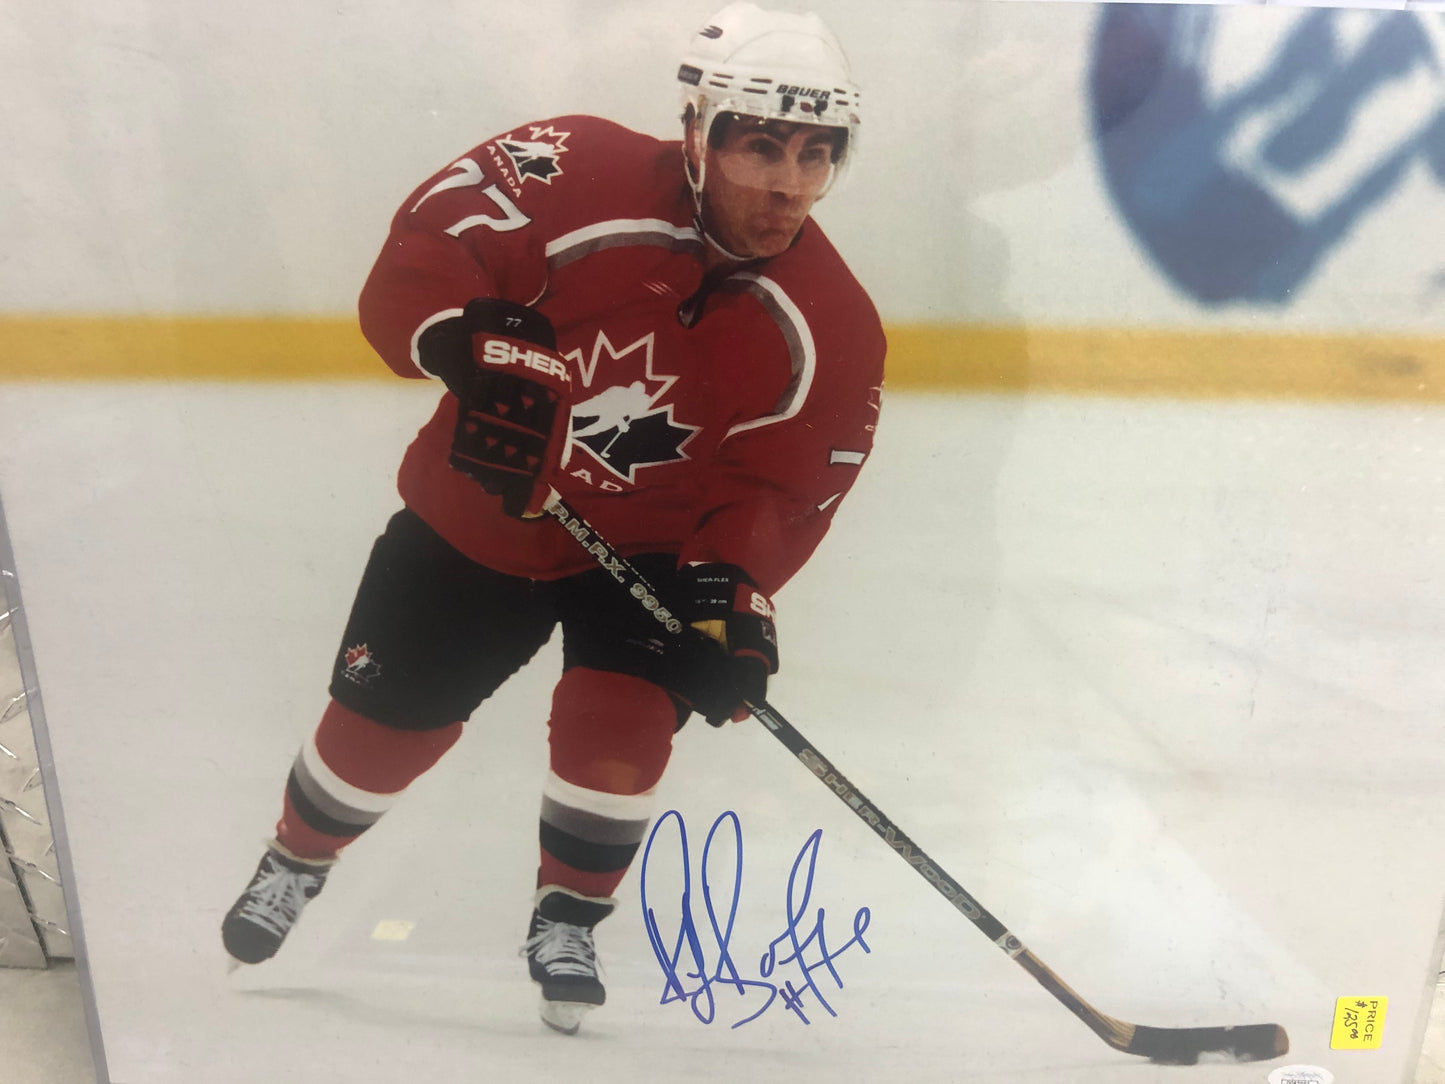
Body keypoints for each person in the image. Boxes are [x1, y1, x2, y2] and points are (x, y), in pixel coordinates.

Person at [221, 1, 885, 1035]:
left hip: (645, 546)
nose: (788, 183)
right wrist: (461, 343)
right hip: (474, 511)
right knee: (377, 729)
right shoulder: (576, 168)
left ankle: (568, 914)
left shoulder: (830, 323)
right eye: (759, 145)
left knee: (617, 727)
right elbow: (437, 242)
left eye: (815, 153)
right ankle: (296, 857)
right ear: (697, 129)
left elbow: (783, 485)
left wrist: (727, 594)